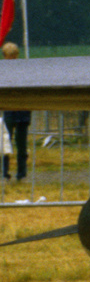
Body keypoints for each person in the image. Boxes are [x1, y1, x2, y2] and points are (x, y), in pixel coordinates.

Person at [1, 42, 27, 181]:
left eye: (14, 57)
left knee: (21, 145)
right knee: (6, 143)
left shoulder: (23, 70)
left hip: (22, 111)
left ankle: (21, 174)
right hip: (8, 111)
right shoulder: (2, 70)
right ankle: (4, 172)